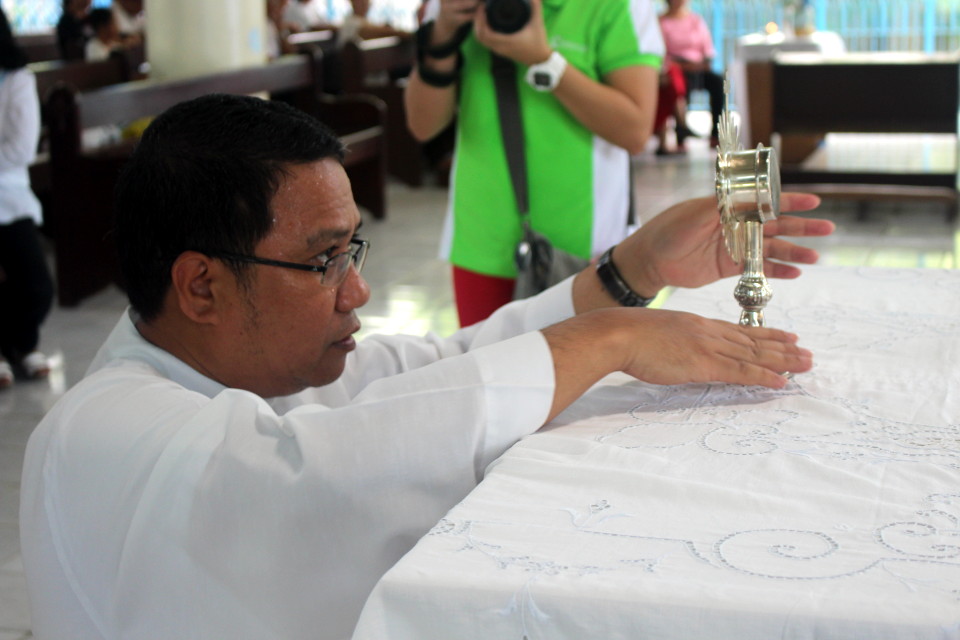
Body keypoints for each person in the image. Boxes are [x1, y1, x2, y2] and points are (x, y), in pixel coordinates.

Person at [20, 93, 833, 640]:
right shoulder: (95, 432)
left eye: (354, 250)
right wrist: (606, 341)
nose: (359, 289)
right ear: (201, 284)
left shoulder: (253, 366)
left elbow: (446, 369)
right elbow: (319, 484)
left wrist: (634, 270)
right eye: (325, 261)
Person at [405, 0, 663, 327]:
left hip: (587, 247)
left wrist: (544, 61)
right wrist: (441, 35)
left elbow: (635, 131)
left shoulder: (618, 6)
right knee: (487, 372)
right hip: (482, 240)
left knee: (588, 372)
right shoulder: (454, 5)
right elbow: (422, 125)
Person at [0, 8, 54, 389]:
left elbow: (20, 149)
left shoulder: (16, 79)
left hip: (10, 195)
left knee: (35, 283)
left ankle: (23, 341)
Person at [659, 0, 725, 147]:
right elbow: (662, 55)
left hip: (699, 67)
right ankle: (681, 130)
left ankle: (716, 133)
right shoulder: (661, 22)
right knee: (678, 84)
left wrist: (701, 63)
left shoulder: (695, 20)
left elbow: (707, 48)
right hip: (677, 68)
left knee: (718, 82)